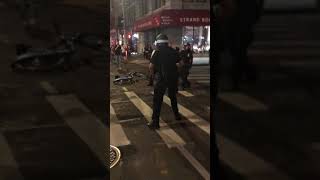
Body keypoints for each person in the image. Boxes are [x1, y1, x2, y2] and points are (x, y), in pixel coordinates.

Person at [148, 34, 181, 129]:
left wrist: (153, 76)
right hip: (172, 79)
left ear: (158, 43)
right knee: (173, 97)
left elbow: (151, 67)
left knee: (157, 101)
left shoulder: (156, 52)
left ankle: (155, 122)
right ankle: (177, 115)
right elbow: (180, 64)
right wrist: (176, 74)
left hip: (161, 80)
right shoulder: (173, 51)